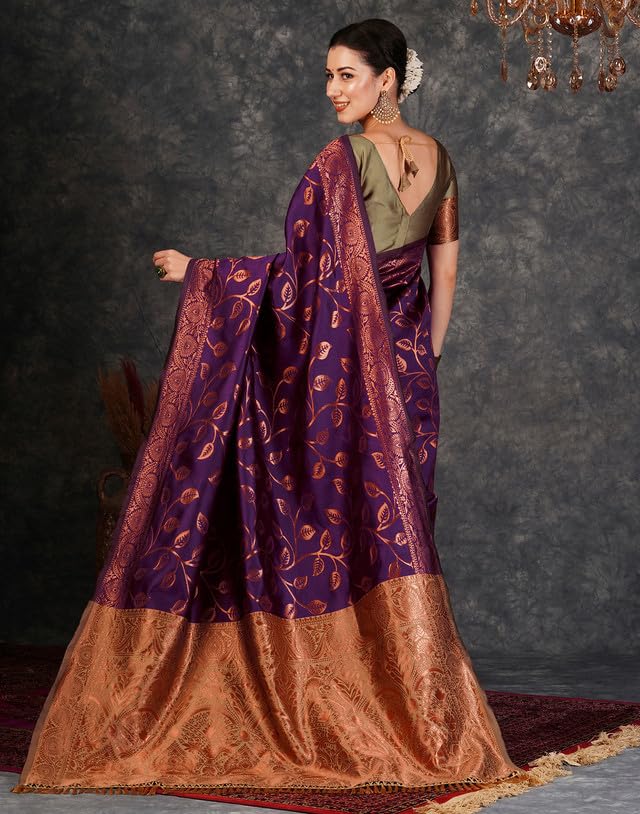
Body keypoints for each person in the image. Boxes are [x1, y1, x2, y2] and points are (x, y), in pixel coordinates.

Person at [14, 18, 530, 802]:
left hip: (344, 376)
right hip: (403, 375)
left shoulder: (341, 161)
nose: (332, 90)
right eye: (328, 75)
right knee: (386, 534)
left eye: (347, 75)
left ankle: (336, 708)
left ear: (388, 80)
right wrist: (419, 361)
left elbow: (306, 283)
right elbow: (444, 273)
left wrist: (203, 273)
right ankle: (415, 713)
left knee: (333, 525)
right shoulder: (441, 160)